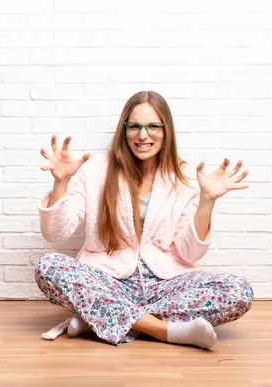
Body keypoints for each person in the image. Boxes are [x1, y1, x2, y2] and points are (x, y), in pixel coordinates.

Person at [34, 90, 253, 349]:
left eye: (152, 126)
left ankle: (99, 316)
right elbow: (56, 233)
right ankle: (163, 330)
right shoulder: (96, 170)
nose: (143, 135)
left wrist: (207, 200)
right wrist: (61, 182)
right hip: (108, 278)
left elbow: (190, 252)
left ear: (166, 130)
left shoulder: (187, 176)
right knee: (48, 266)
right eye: (135, 126)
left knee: (239, 291)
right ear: (124, 129)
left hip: (166, 282)